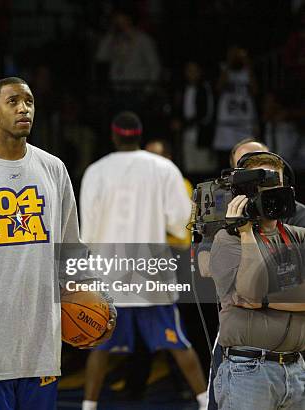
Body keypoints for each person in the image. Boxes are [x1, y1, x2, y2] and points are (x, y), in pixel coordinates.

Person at [0, 76, 116, 410]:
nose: (24, 109)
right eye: (13, 101)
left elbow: (71, 249)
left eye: (29, 102)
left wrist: (95, 297)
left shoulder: (54, 169)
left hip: (41, 348)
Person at [80, 112, 207, 410]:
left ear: (113, 136)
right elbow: (180, 222)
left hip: (109, 275)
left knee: (100, 347)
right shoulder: (164, 168)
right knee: (177, 343)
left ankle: (88, 406)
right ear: (139, 135)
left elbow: (87, 231)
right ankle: (204, 402)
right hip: (152, 275)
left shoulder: (95, 171)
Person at [197, 139, 305, 410]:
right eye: (262, 182)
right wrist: (245, 232)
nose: (270, 190)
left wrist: (266, 300)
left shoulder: (298, 235)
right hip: (248, 371)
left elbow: (257, 298)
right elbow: (248, 292)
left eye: (275, 182)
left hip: (295, 369)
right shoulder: (227, 238)